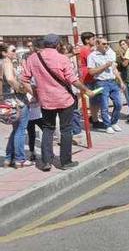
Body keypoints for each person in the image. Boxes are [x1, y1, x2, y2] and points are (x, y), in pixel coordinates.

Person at [22, 34, 96, 171]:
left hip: (45, 100)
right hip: (64, 99)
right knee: (66, 129)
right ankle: (65, 162)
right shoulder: (62, 59)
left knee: (47, 129)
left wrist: (36, 94)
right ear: (57, 45)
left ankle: (45, 162)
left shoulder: (33, 58)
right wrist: (86, 90)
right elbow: (72, 80)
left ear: (44, 44)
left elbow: (25, 80)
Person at [2, 43, 33, 168]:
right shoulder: (6, 62)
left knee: (16, 129)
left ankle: (9, 158)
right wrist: (20, 89)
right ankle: (20, 159)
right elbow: (10, 78)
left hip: (7, 100)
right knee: (21, 129)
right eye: (13, 50)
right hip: (17, 100)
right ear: (4, 53)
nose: (15, 52)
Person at [87, 37, 125, 134]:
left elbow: (114, 69)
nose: (106, 45)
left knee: (119, 104)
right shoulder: (92, 56)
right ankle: (107, 125)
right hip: (101, 82)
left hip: (112, 81)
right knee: (104, 106)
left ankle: (114, 122)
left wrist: (121, 81)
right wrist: (105, 66)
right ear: (97, 45)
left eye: (107, 43)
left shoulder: (110, 53)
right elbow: (91, 72)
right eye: (103, 44)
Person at [77, 31, 100, 125]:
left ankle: (93, 117)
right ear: (87, 40)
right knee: (94, 98)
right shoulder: (86, 50)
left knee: (93, 98)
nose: (95, 41)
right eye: (93, 39)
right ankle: (94, 119)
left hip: (88, 75)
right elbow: (94, 61)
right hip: (89, 76)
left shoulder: (87, 49)